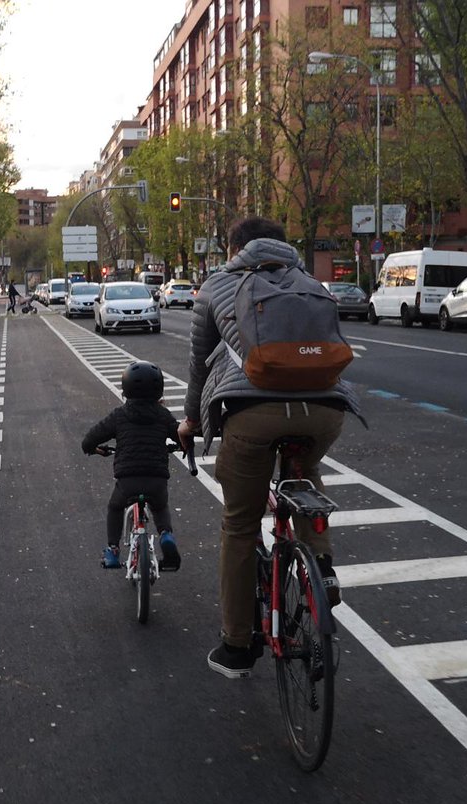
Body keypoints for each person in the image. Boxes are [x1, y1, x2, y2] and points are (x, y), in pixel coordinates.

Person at [178, 216, 364, 679]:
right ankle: (321, 567)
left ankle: (237, 645)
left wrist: (192, 422)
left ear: (234, 248)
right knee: (305, 470)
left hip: (253, 413)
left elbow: (199, 365)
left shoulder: (217, 285)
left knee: (240, 525)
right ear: (285, 246)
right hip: (325, 410)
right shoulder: (313, 284)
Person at [82, 361, 183, 570]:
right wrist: (180, 446)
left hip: (127, 481)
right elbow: (180, 435)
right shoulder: (163, 415)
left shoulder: (119, 416)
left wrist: (95, 449)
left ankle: (113, 550)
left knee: (115, 507)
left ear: (126, 388)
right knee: (160, 506)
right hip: (156, 480)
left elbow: (89, 440)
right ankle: (166, 535)